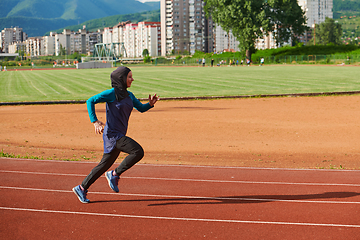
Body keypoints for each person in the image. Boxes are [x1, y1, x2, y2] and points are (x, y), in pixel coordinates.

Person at [73, 66, 159, 203]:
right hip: (112, 135)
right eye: (129, 76)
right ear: (121, 78)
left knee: (103, 165)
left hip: (118, 134)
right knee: (137, 151)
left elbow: (141, 108)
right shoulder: (111, 93)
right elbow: (90, 101)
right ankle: (114, 174)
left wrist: (149, 104)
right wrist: (95, 121)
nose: (132, 79)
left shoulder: (129, 95)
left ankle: (81, 188)